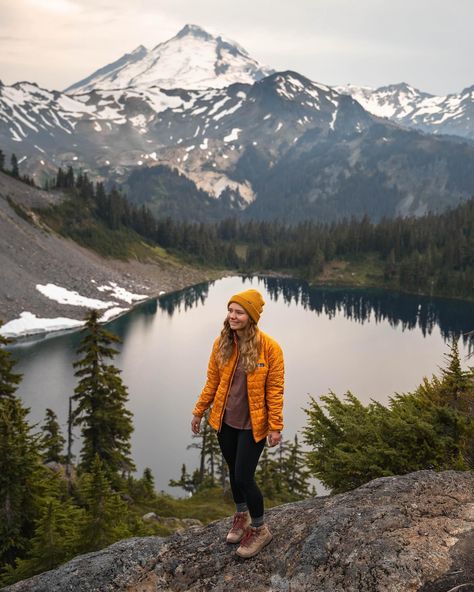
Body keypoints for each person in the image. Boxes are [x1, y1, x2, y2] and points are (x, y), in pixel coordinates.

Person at [191, 288, 284, 559]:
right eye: (230, 311)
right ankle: (241, 515)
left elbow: (275, 390)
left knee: (245, 476)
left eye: (239, 312)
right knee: (233, 471)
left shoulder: (270, 348)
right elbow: (212, 382)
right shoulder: (222, 343)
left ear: (251, 316)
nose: (232, 316)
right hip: (225, 420)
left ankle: (260, 528)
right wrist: (199, 411)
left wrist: (275, 426)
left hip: (253, 425)